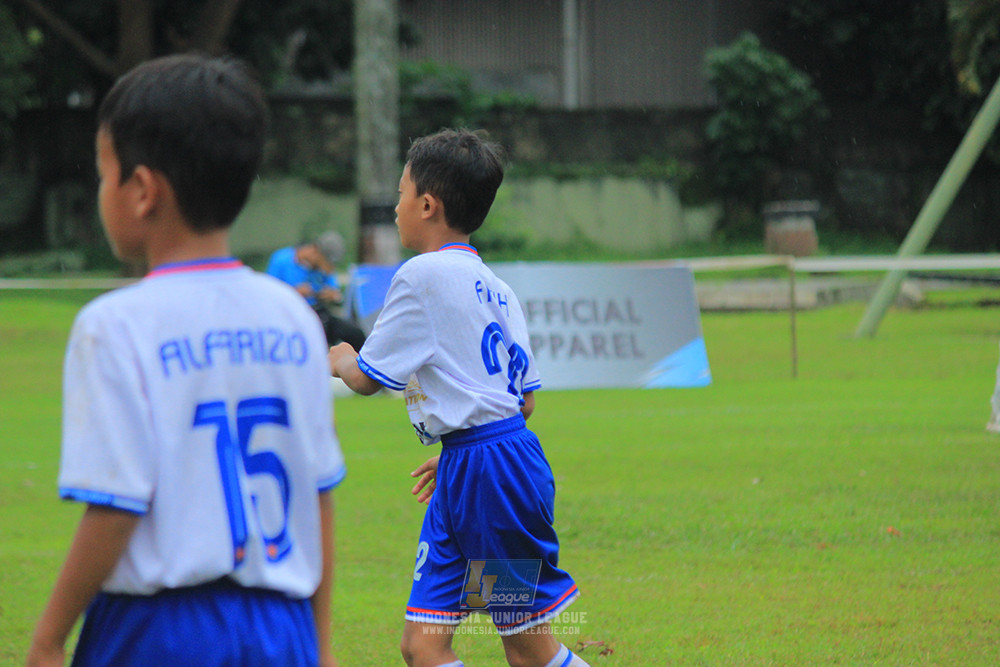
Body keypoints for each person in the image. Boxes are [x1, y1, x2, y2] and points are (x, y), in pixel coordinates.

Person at [27, 54, 345, 667]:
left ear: (142, 191)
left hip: (159, 631)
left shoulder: (115, 325)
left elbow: (117, 506)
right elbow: (319, 499)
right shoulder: (293, 319)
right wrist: (322, 650)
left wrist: (47, 638)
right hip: (281, 627)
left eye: (104, 173)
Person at [329, 129, 590, 667]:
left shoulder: (421, 276)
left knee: (526, 647)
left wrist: (335, 355)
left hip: (488, 477)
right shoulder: (496, 286)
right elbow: (524, 401)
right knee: (422, 647)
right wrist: (464, 445)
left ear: (427, 204)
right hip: (477, 469)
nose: (397, 206)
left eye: (401, 194)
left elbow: (365, 377)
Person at [267, 232, 367, 351]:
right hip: (291, 315)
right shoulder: (281, 260)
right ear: (315, 251)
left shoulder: (323, 268)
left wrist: (333, 295)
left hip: (319, 313)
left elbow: (335, 291)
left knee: (354, 333)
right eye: (327, 262)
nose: (330, 268)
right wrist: (293, 293)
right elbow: (269, 293)